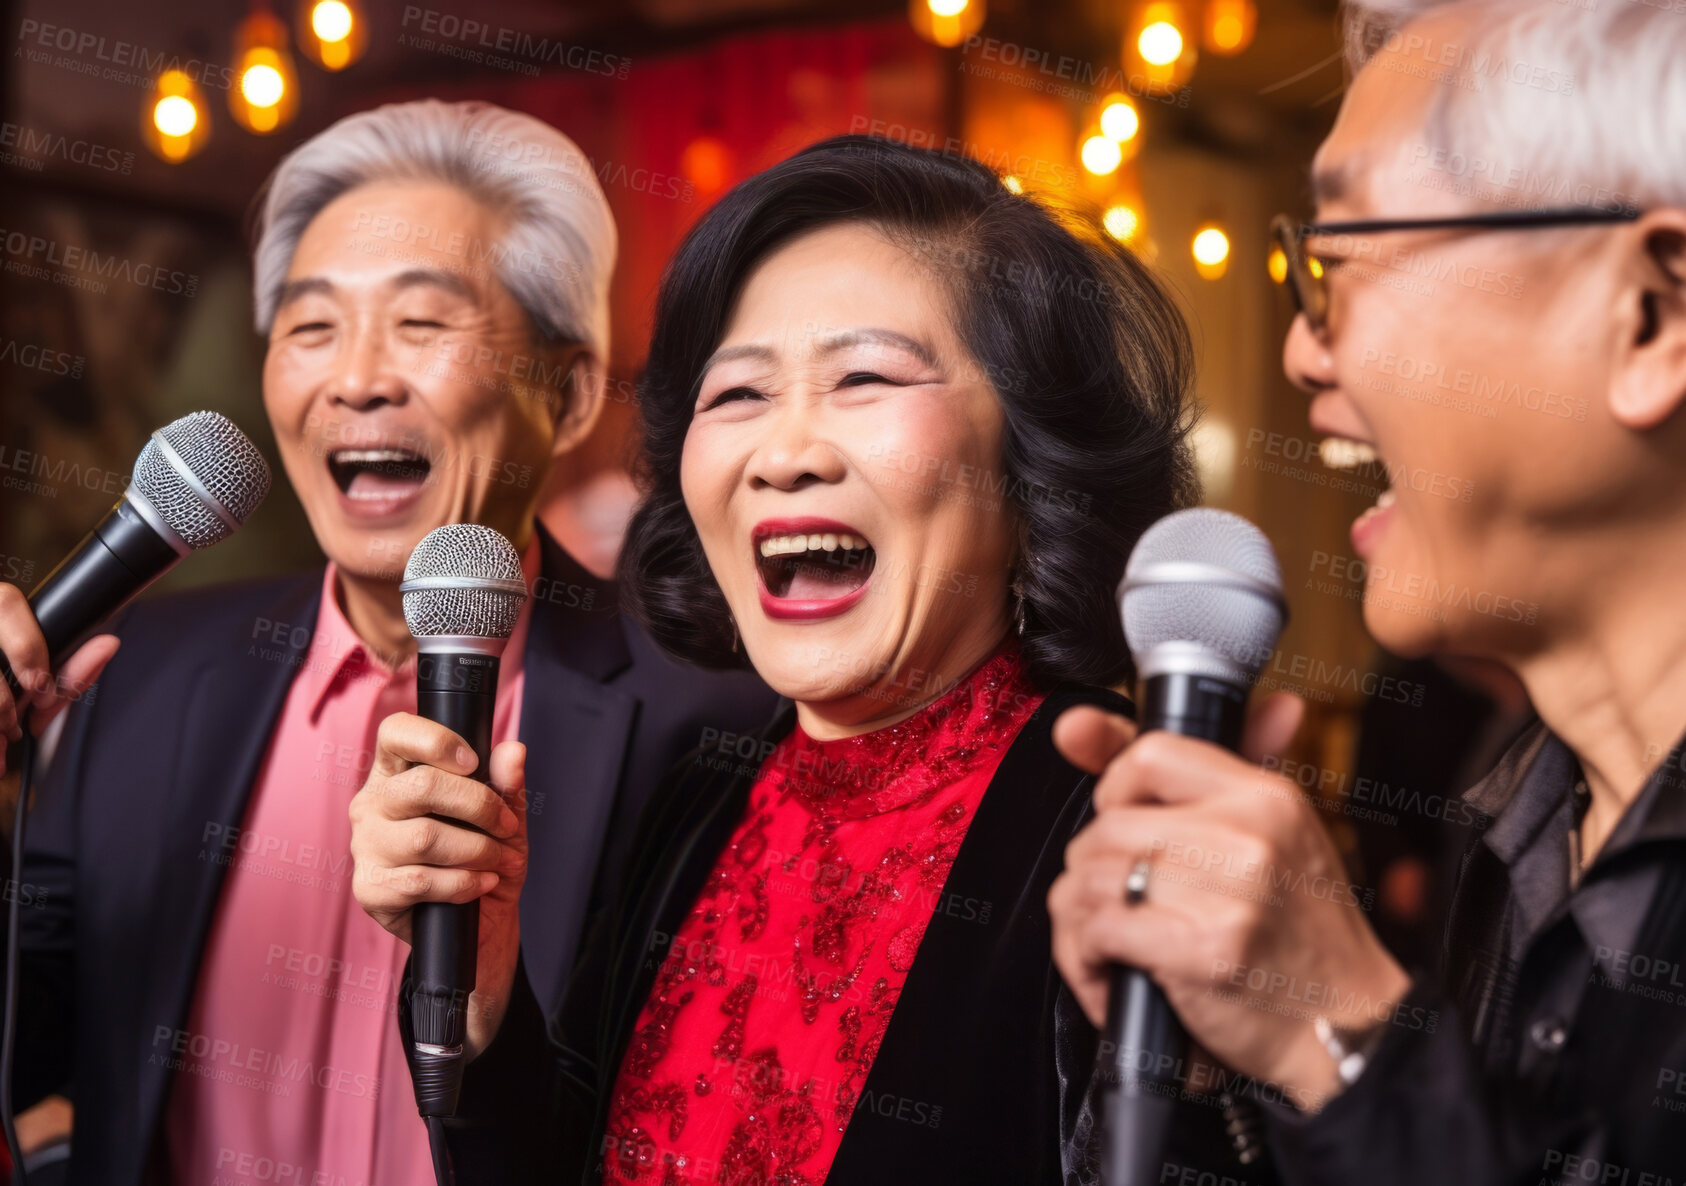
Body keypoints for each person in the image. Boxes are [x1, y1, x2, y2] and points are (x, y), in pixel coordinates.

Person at [347, 133, 1253, 1183]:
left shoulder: (1123, 822)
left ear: (1030, 459)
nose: (784, 453)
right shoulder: (700, 791)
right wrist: (490, 1000)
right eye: (737, 396)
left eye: (864, 376)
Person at [2, 100, 776, 1186]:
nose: (355, 378)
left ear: (564, 394)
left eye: (421, 323)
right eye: (311, 329)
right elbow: (24, 1041)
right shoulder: (139, 673)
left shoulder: (712, 725)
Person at [1048, 1, 1686, 1182]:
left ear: (1650, 314)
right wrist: (1217, 1067)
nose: (1301, 349)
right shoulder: (1526, 826)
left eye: (1345, 258)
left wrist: (1338, 1040)